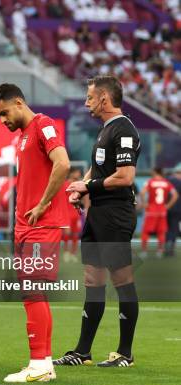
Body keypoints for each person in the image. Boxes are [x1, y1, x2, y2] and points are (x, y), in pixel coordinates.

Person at [57, 75, 141, 368]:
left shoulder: (125, 130)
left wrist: (87, 187)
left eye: (90, 98)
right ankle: (82, 351)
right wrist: (80, 186)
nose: (86, 102)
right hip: (97, 214)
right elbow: (97, 168)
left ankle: (125, 354)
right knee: (92, 281)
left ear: (104, 99)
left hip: (115, 215)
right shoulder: (106, 130)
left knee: (122, 282)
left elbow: (125, 176)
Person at [0, 83, 71, 382]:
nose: (2, 120)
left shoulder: (44, 125)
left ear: (19, 102)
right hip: (27, 226)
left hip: (41, 225)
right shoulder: (23, 137)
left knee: (33, 292)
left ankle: (39, 363)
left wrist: (42, 204)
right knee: (33, 293)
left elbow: (62, 163)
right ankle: (43, 362)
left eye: (4, 113)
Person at [139, 167, 178, 257]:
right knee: (161, 232)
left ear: (155, 172)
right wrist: (168, 206)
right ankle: (160, 251)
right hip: (162, 211)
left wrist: (144, 203)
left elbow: (142, 192)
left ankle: (144, 252)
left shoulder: (150, 182)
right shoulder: (166, 183)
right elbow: (175, 195)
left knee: (145, 231)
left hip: (151, 210)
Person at [63, 168, 84, 262]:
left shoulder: (80, 185)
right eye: (77, 172)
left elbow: (84, 199)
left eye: (79, 173)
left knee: (76, 233)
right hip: (66, 213)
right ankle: (66, 253)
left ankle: (73, 253)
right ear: (71, 173)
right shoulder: (64, 184)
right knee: (67, 233)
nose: (78, 174)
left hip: (76, 213)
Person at [165, 163, 181, 256]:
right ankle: (171, 249)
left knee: (166, 228)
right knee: (174, 228)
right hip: (177, 208)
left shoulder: (165, 180)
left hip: (166, 208)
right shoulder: (179, 182)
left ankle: (166, 247)